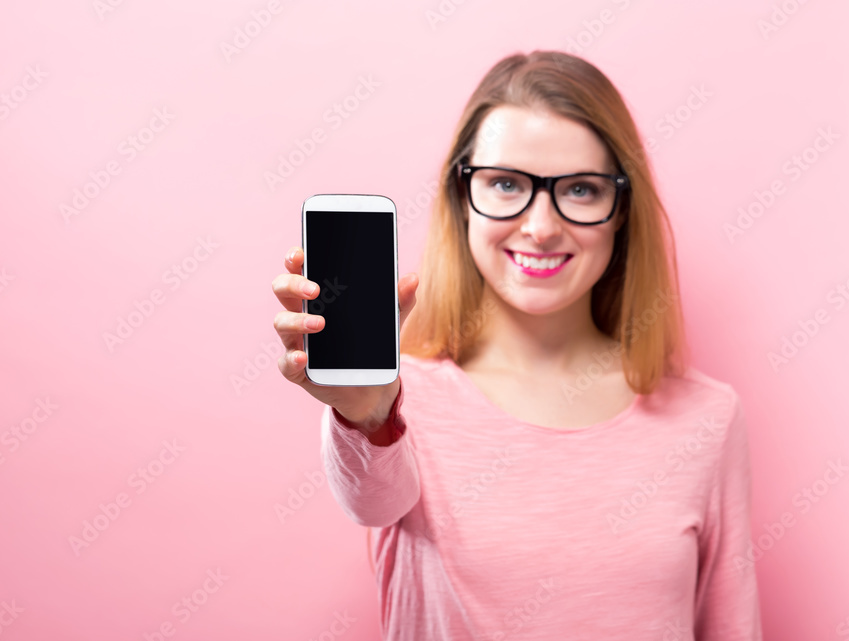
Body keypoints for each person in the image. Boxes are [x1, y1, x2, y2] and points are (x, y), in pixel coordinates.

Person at [272, 50, 762, 640]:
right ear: (461, 197)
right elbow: (370, 504)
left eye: (580, 189)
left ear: (620, 211)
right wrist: (366, 413)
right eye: (506, 184)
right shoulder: (401, 400)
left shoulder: (707, 419)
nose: (541, 225)